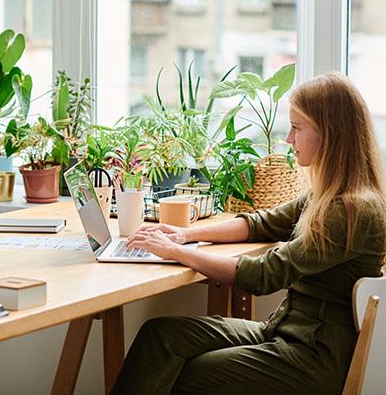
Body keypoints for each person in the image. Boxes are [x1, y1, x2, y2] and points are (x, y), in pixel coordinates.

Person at [111, 73, 386, 395]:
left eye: (297, 128)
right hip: (284, 330)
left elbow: (264, 275)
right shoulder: (327, 196)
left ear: (330, 134)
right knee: (161, 337)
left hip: (315, 355)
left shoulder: (353, 209)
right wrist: (183, 234)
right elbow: (262, 223)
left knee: (194, 374)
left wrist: (179, 253)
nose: (288, 139)